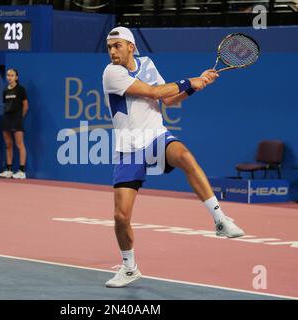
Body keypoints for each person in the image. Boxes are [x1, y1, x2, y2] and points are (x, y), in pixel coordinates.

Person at [102, 27, 245, 288]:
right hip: (128, 148)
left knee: (186, 157)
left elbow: (168, 100)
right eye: (109, 47)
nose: (112, 51)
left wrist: (195, 87)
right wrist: (189, 81)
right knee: (121, 217)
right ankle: (129, 267)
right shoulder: (112, 73)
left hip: (157, 137)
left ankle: (220, 219)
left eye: (117, 46)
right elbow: (155, 93)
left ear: (131, 47)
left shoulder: (146, 63)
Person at [0, 68, 29, 179]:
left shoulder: (21, 89)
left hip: (17, 119)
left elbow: (25, 106)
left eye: (12, 75)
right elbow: (5, 105)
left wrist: (20, 118)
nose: (9, 77)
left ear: (16, 77)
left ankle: (21, 171)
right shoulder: (5, 90)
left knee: (19, 144)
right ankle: (9, 170)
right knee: (8, 144)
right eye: (8, 75)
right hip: (6, 119)